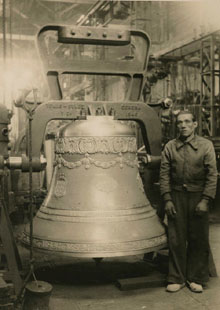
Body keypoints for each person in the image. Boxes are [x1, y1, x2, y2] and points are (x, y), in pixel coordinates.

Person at [159, 110, 217, 293]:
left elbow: (212, 175)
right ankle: (177, 278)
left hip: (198, 196)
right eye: (179, 122)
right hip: (176, 197)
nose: (183, 125)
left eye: (187, 122)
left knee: (198, 239)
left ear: (195, 125)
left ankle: (196, 278)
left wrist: (206, 199)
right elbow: (164, 174)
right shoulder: (170, 146)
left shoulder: (206, 146)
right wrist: (167, 199)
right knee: (176, 239)